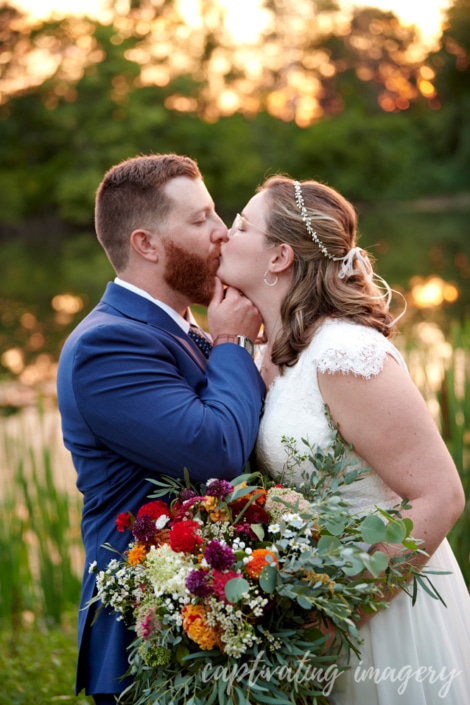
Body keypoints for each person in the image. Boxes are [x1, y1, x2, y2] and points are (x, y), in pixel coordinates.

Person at [217, 174, 470, 704]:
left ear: (279, 256)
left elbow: (442, 495)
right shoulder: (274, 354)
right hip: (311, 608)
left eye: (240, 224)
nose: (224, 234)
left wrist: (341, 613)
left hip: (385, 609)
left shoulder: (346, 354)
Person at [56, 154, 266, 705]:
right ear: (147, 245)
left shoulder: (180, 328)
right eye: (200, 221)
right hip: (147, 634)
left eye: (216, 214)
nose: (223, 233)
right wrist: (231, 344)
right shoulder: (106, 346)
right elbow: (215, 449)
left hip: (213, 613)